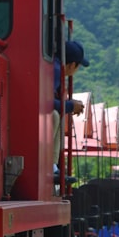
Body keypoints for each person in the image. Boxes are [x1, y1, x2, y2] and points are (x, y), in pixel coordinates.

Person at [53, 40, 88, 176]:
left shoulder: (55, 69)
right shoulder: (56, 71)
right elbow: (47, 103)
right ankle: (51, 165)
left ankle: (53, 165)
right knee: (55, 116)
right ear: (72, 65)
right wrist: (70, 106)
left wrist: (68, 104)